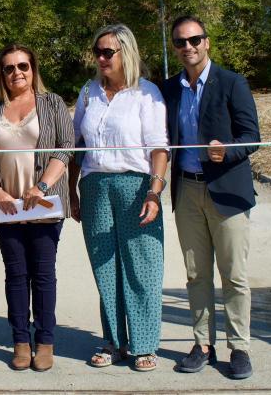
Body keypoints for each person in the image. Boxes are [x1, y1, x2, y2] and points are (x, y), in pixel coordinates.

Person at [161, 15, 260, 380]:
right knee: (196, 274)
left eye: (194, 40)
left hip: (227, 191)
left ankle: (240, 348)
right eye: (180, 42)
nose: (188, 47)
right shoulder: (170, 89)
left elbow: (252, 136)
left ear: (207, 42)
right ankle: (203, 343)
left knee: (234, 275)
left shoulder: (232, 82)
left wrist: (228, 150)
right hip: (186, 189)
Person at [68, 24, 169, 372]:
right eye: (97, 51)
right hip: (95, 186)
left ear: (126, 52)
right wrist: (71, 189)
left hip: (137, 185)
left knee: (142, 266)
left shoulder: (147, 94)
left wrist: (155, 192)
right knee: (105, 268)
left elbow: (159, 147)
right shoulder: (88, 92)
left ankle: (144, 344)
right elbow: (76, 146)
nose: (100, 57)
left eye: (107, 52)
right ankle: (114, 340)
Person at [0, 44, 74, 372]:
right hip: (8, 208)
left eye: (23, 66)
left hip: (43, 204)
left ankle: (44, 341)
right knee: (16, 275)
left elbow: (66, 147)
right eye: (9, 68)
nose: (17, 73)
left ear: (33, 68)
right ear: (1, 73)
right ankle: (20, 341)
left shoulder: (52, 103)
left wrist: (42, 186)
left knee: (43, 275)